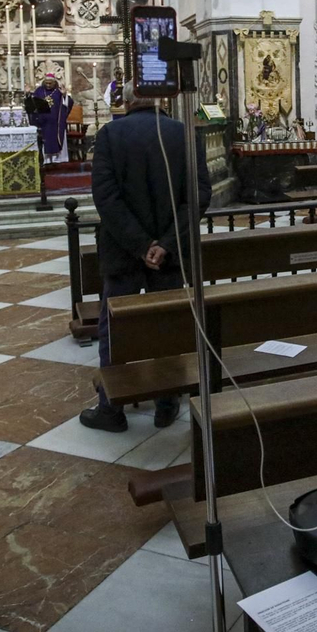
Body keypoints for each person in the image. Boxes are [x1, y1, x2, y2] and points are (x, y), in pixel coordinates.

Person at [81, 82, 212, 432]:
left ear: (124, 100)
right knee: (166, 325)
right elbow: (198, 195)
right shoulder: (183, 134)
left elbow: (105, 197)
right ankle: (166, 402)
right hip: (170, 254)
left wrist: (140, 245)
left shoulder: (110, 135)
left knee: (115, 328)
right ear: (163, 99)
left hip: (123, 252)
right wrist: (164, 244)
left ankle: (112, 408)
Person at [30, 70, 72, 161]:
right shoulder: (39, 91)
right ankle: (47, 161)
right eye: (46, 83)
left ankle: (59, 159)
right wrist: (28, 94)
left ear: (54, 82)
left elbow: (67, 104)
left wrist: (64, 95)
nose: (48, 85)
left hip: (56, 124)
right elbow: (32, 103)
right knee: (45, 141)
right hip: (43, 123)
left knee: (56, 140)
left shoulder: (58, 91)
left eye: (50, 83)